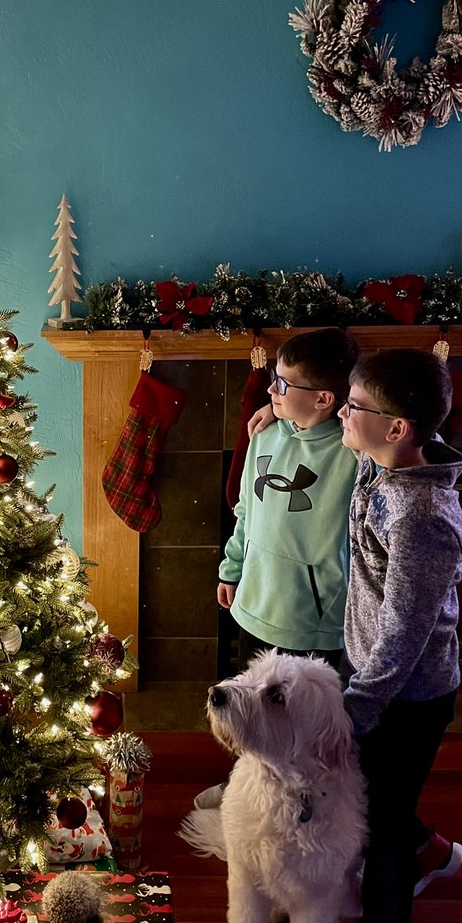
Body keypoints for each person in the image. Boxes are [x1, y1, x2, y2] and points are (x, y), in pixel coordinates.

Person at [320, 348, 462, 923]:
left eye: (353, 407)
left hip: (407, 692)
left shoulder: (421, 517)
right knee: (384, 791)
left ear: (399, 428)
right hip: (378, 675)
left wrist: (362, 704)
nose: (342, 416)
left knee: (376, 814)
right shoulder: (381, 463)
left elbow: (406, 631)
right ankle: (428, 849)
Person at [195, 328, 359, 809]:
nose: (271, 390)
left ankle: (312, 807)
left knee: (303, 729)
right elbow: (247, 509)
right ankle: (244, 789)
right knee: (248, 714)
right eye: (274, 379)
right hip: (257, 601)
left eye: (284, 385)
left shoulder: (355, 453)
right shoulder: (264, 431)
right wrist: (232, 568)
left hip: (315, 619)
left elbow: (414, 431)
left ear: (326, 398)